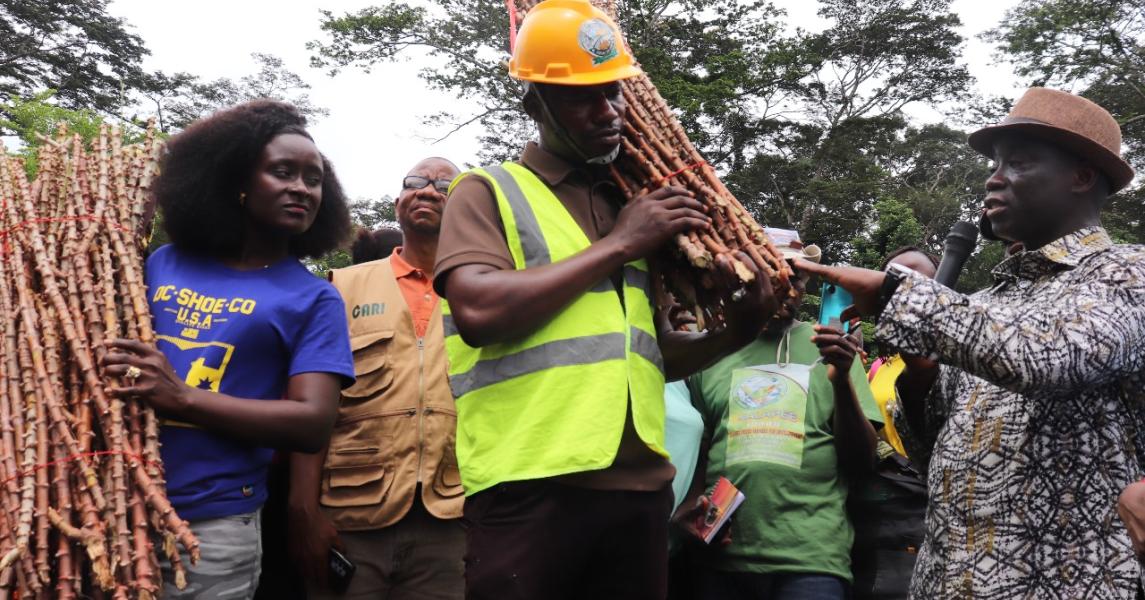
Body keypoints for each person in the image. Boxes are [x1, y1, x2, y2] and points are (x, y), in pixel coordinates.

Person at [433, 2, 776, 598]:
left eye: (614, 93)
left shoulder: (630, 205)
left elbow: (646, 356)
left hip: (640, 490)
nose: (607, 111)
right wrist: (620, 245)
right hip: (531, 484)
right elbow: (479, 312)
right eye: (581, 97)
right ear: (534, 104)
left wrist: (736, 332)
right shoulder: (487, 190)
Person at [797, 87, 1144, 598]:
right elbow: (931, 450)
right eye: (995, 163)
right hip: (948, 580)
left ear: (1082, 176)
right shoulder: (986, 301)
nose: (993, 178)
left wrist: (895, 292)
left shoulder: (1128, 272)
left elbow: (1050, 358)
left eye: (1019, 162)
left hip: (1060, 583)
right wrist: (920, 374)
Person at [101, 100, 356, 599]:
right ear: (237, 180)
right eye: (282, 172)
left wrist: (182, 398)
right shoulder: (160, 263)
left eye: (314, 178)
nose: (301, 188)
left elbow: (312, 422)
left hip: (213, 525)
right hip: (109, 503)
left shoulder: (313, 298)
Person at [288, 157, 466, 599]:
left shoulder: (482, 290)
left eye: (444, 186)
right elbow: (313, 408)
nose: (427, 190)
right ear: (397, 203)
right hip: (350, 518)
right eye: (415, 183)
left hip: (451, 519)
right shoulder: (339, 287)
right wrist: (304, 512)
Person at [682, 233, 881, 600]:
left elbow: (861, 460)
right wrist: (691, 509)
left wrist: (840, 382)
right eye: (775, 274)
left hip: (810, 559)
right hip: (722, 557)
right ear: (746, 276)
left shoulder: (828, 346)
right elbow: (698, 444)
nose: (788, 288)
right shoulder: (712, 349)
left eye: (797, 278)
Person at [849, 246, 938, 600]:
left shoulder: (963, 357)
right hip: (886, 512)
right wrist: (846, 377)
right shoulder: (880, 366)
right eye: (894, 283)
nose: (906, 292)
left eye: (917, 281)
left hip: (935, 505)